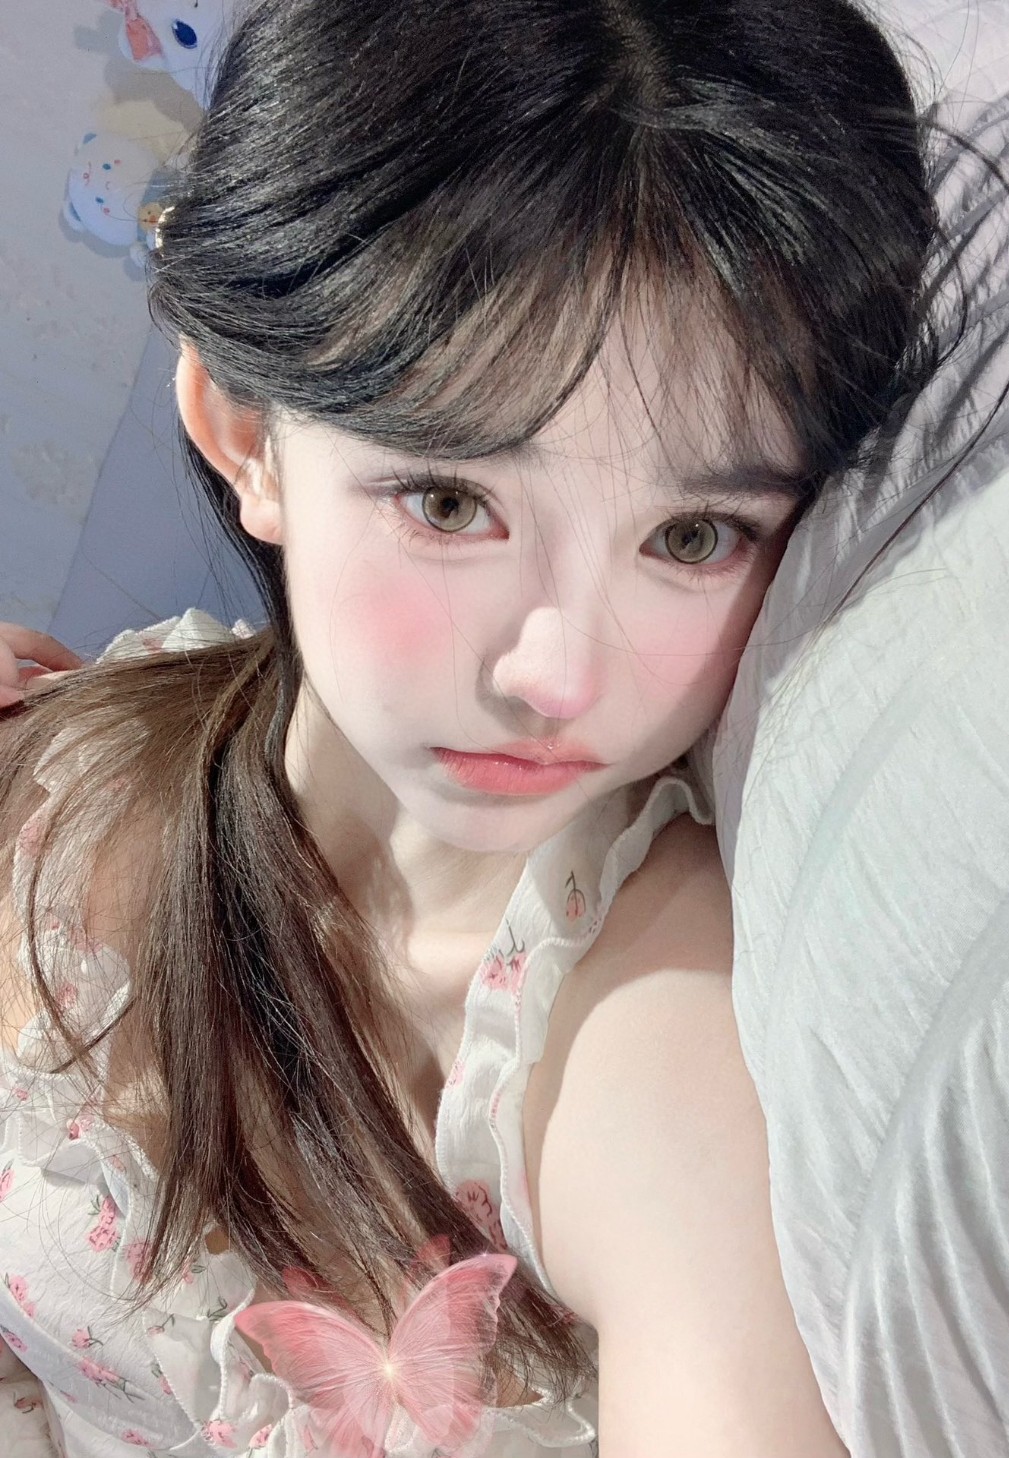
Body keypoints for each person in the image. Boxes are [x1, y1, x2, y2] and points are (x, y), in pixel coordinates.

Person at [0, 1, 956, 1453]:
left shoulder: (646, 1037)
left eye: (692, 535)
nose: (554, 673)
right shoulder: (88, 748)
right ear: (249, 436)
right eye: (453, 503)